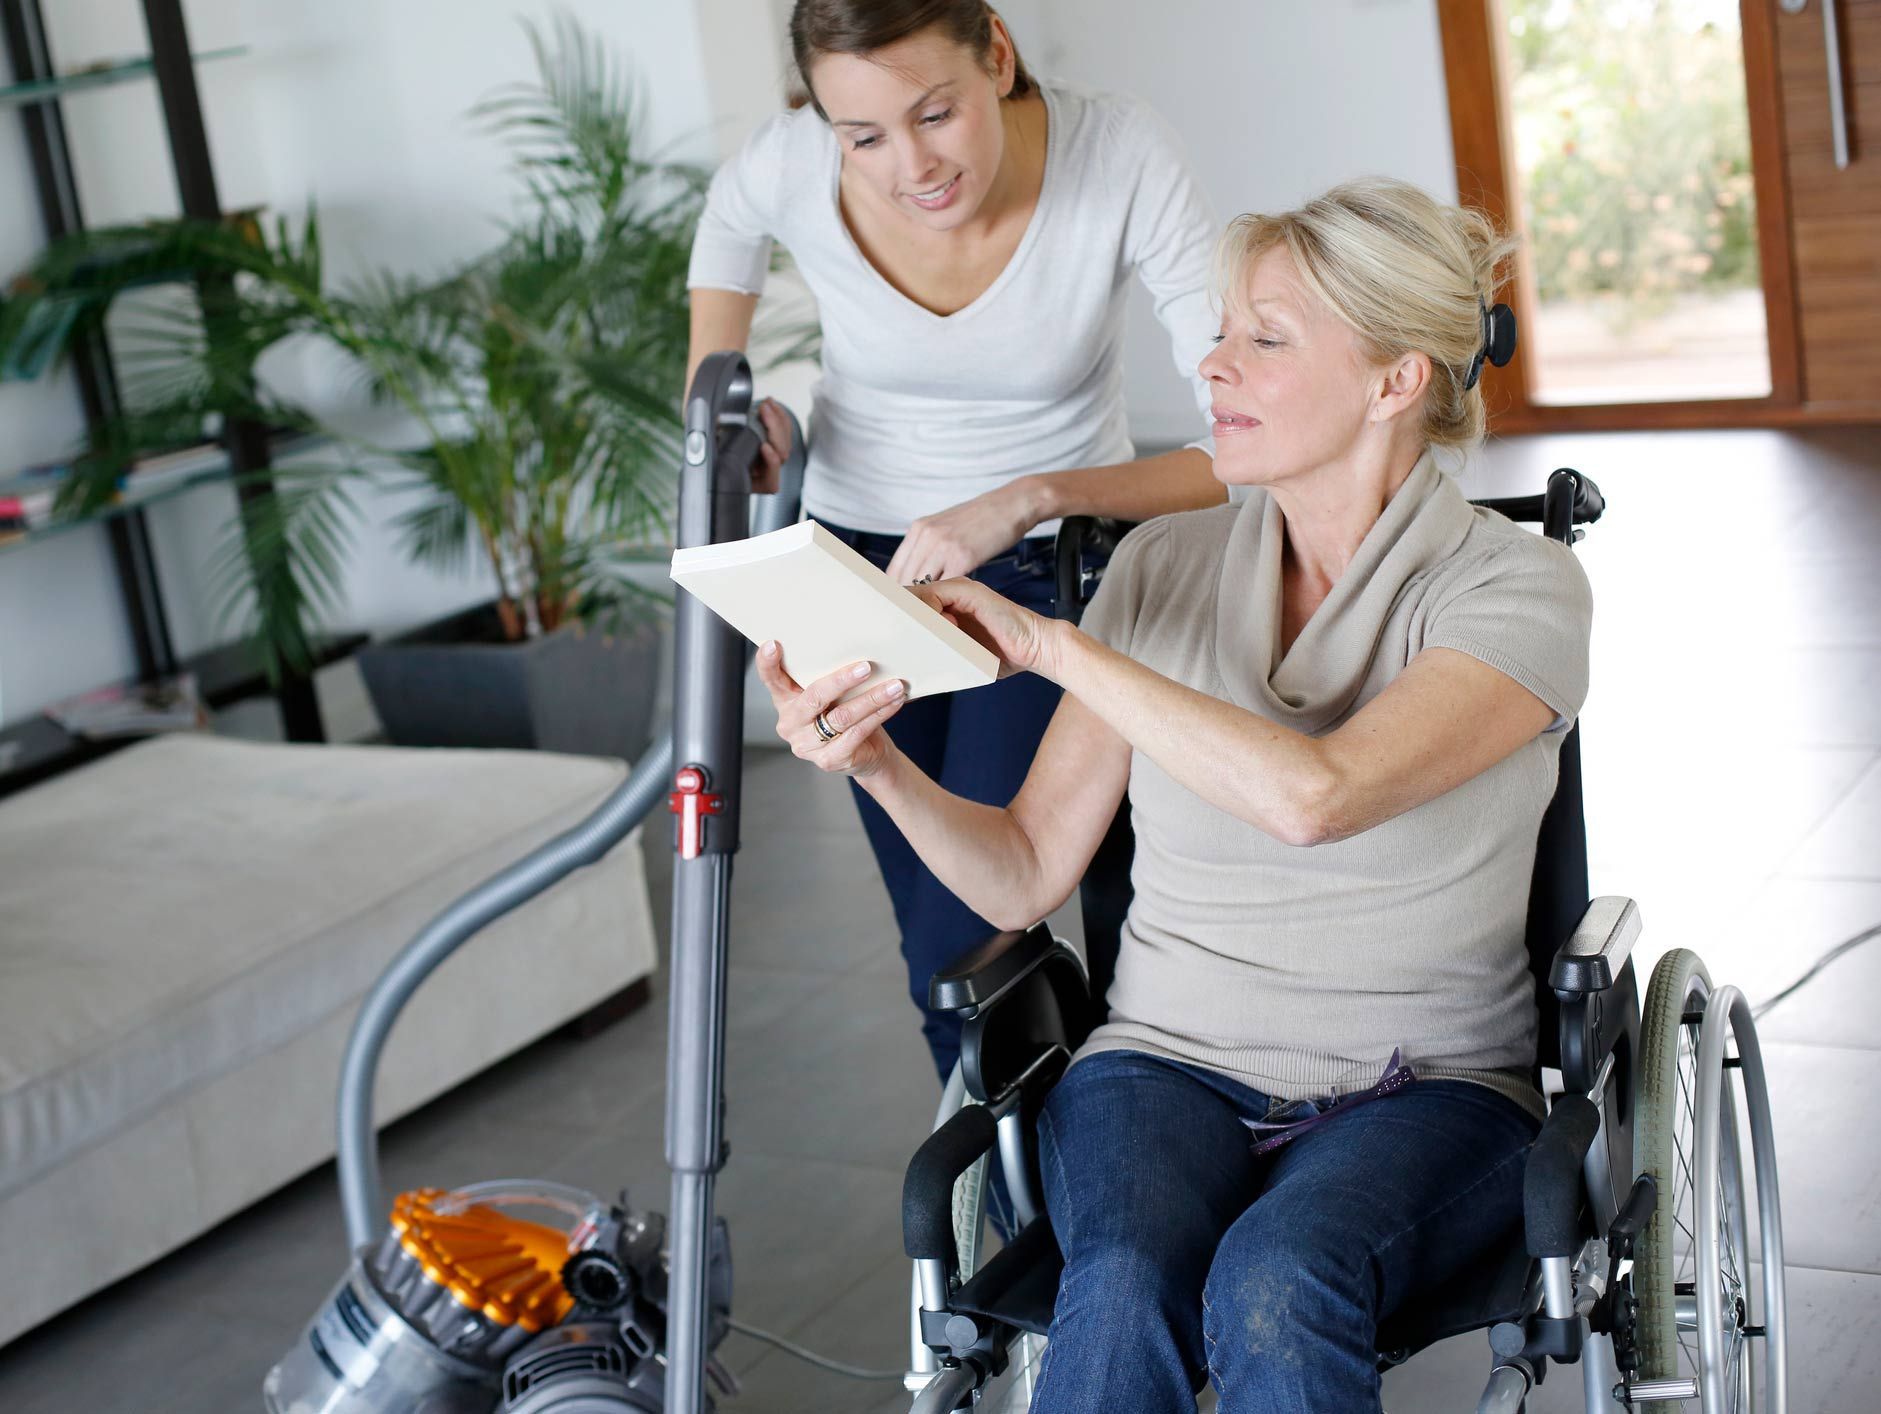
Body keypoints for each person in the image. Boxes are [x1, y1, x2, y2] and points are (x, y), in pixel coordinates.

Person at [756, 177, 1594, 1413]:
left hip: (1427, 1084)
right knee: (1125, 1273)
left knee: (1279, 1274)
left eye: (1264, 338)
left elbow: (1320, 794)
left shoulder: (1518, 593)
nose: (1211, 366)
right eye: (1219, 331)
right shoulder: (1160, 568)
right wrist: (875, 760)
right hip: (1161, 1063)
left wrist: (1053, 646)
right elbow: (1027, 867)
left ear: (1396, 379)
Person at [685, 0, 1225, 1087]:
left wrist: (1028, 495)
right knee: (938, 959)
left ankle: (1115, 1154)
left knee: (977, 927)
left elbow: (1244, 446)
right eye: (863, 137)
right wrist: (725, 408)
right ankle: (997, 1223)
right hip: (852, 565)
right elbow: (728, 228)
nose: (909, 166)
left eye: (935, 114)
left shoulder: (1117, 153)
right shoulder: (792, 162)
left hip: (1044, 568)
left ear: (999, 54)